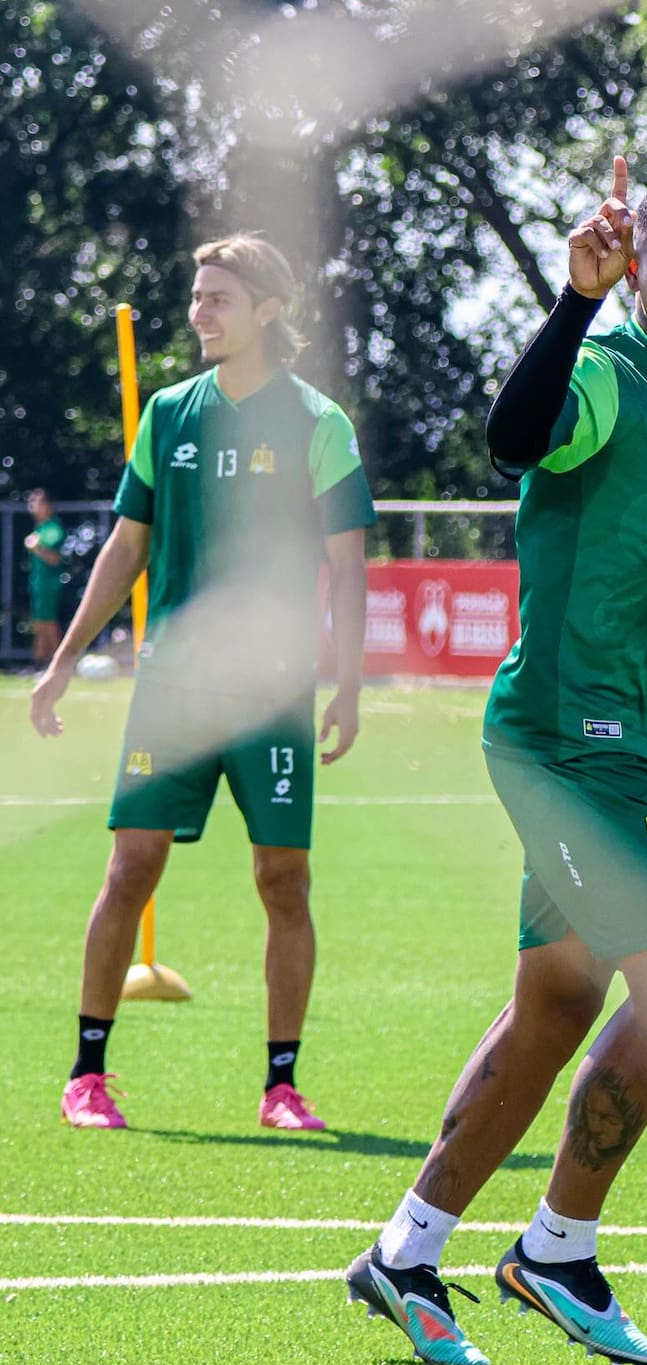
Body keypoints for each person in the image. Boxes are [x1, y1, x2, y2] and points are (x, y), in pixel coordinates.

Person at [345, 160, 647, 1365]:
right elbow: (517, 440)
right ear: (640, 269)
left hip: (645, 747)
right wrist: (573, 301)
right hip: (569, 739)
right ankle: (556, 1244)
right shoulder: (608, 372)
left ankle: (406, 1252)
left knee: (559, 1004)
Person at [31, 232, 375, 1132]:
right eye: (195, 296)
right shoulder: (169, 415)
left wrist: (346, 684)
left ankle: (282, 1087)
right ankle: (87, 1074)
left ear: (267, 310)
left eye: (217, 297)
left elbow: (347, 565)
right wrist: (64, 662)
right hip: (174, 690)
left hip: (273, 696)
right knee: (131, 865)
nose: (198, 312)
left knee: (283, 881)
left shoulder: (317, 422)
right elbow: (125, 548)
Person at [25, 488, 65, 666]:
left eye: (37, 502)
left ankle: (56, 663)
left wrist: (36, 547)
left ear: (48, 506)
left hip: (49, 584)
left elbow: (55, 558)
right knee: (41, 623)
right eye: (31, 502)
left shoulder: (52, 528)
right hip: (39, 584)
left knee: (48, 623)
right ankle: (41, 661)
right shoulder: (40, 528)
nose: (32, 506)